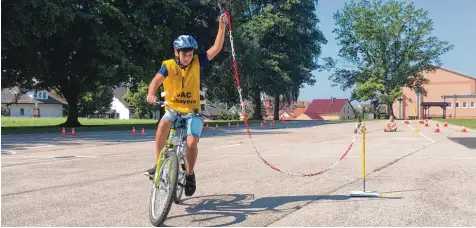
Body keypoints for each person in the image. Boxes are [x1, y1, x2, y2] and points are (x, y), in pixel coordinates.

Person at [144, 14, 229, 197]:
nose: (188, 58)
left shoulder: (198, 62)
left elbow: (217, 48)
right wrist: (151, 94)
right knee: (163, 124)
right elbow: (156, 81)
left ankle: (189, 175)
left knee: (191, 143)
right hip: (173, 108)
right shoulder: (168, 66)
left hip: (194, 111)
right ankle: (158, 163)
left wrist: (221, 26)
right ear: (176, 53)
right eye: (184, 54)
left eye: (190, 54)